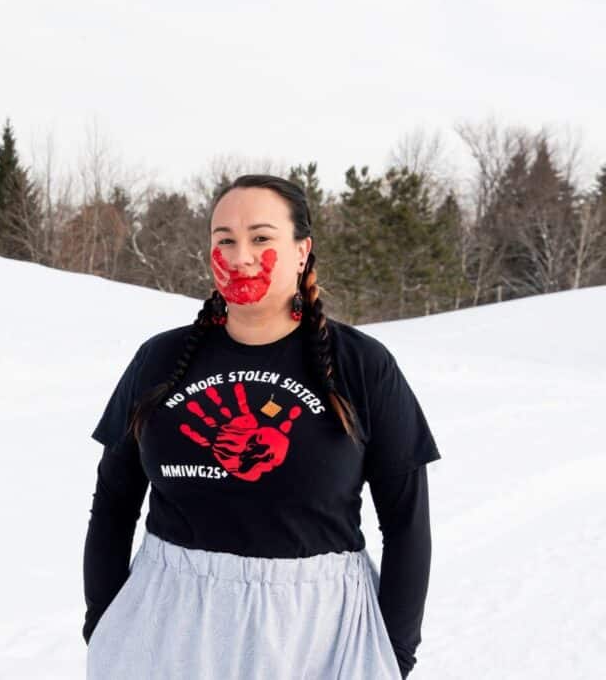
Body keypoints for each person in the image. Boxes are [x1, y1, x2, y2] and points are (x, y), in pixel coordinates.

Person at [82, 175, 441, 679]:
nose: (240, 255)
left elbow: (407, 523)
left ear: (302, 251)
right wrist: (102, 624)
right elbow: (113, 503)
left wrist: (394, 653)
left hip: (314, 632)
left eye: (261, 237)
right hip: (166, 625)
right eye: (224, 239)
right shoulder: (159, 359)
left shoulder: (362, 365)